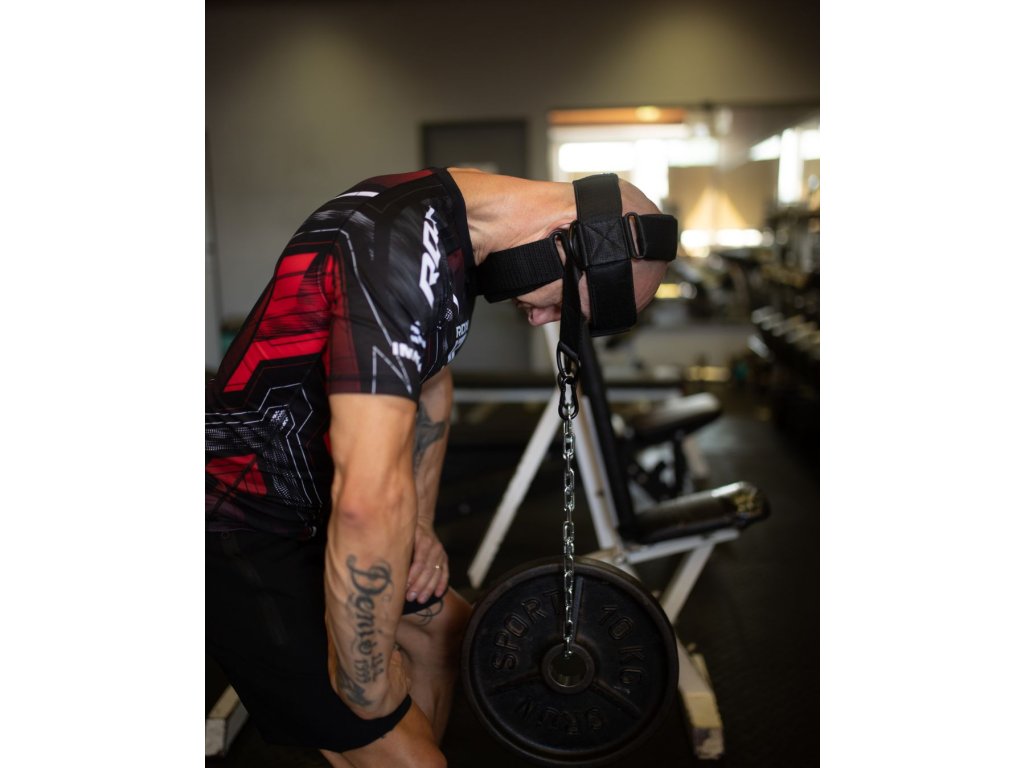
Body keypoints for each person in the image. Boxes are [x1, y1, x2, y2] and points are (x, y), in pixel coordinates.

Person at [206, 166, 673, 768]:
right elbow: (366, 503)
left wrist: (420, 526)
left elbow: (432, 382)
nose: (541, 318)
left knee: (449, 635)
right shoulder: (388, 252)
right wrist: (368, 683)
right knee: (403, 746)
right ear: (565, 234)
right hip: (241, 518)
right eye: (561, 302)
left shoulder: (448, 227)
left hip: (312, 501)